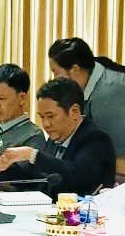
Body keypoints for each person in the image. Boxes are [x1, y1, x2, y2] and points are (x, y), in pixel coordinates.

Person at [0, 78, 115, 198]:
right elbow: (34, 178)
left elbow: (77, 175)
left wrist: (32, 155)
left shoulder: (95, 139)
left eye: (50, 116)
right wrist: (0, 166)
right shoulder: (56, 137)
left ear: (74, 112)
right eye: (42, 117)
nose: (45, 124)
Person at [48, 37, 125, 175]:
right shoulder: (86, 85)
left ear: (75, 69)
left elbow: (117, 158)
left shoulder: (109, 93)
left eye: (56, 73)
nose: (55, 79)